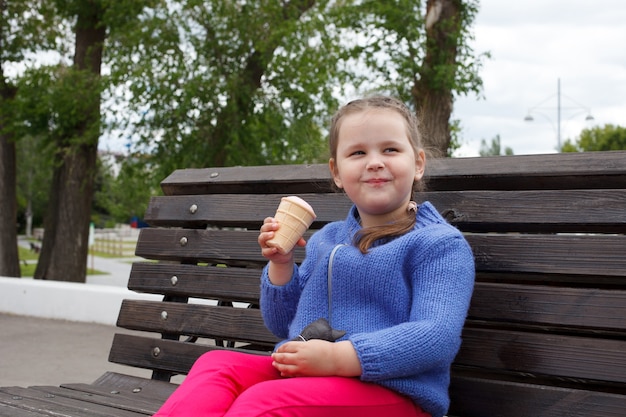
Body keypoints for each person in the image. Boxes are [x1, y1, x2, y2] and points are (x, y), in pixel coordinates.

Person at [152, 95, 475, 417]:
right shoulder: (328, 239)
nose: (374, 161)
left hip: (396, 394)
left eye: (390, 149)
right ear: (336, 171)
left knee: (265, 403)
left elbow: (436, 336)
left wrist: (339, 358)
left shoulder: (438, 244)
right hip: (314, 381)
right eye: (358, 152)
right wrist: (281, 265)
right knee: (217, 363)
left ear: (418, 163)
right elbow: (282, 324)